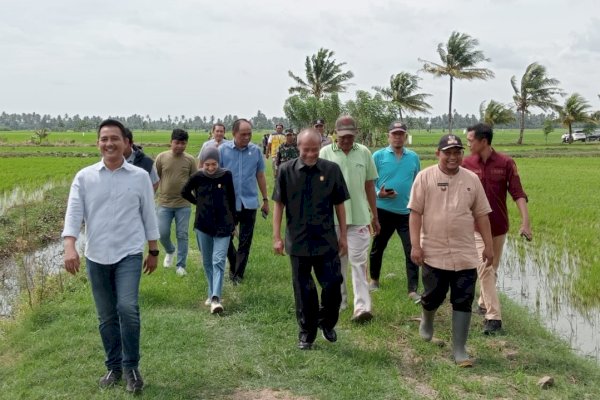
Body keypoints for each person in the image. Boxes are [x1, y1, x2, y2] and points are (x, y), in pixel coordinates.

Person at [62, 119, 159, 394]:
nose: (109, 143)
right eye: (104, 139)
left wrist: (153, 250)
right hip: (96, 256)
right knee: (106, 316)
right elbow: (73, 214)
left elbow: (148, 216)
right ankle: (113, 367)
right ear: (98, 143)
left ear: (126, 143)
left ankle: (131, 368)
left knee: (127, 308)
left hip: (128, 253)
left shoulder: (139, 177)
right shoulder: (85, 177)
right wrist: (70, 246)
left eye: (114, 138)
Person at [408, 134, 493, 367]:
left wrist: (488, 246)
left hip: (465, 252)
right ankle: (427, 320)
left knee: (463, 299)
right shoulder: (425, 177)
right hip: (434, 252)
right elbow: (415, 214)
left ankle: (459, 350)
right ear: (438, 154)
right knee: (433, 295)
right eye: (448, 152)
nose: (453, 157)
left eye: (457, 152)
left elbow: (482, 214)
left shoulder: (472, 179)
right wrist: (415, 246)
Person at [273, 129, 349, 350]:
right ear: (298, 147)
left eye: (314, 149)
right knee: (303, 290)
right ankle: (307, 333)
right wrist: (276, 237)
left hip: (326, 240)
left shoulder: (331, 170)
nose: (310, 154)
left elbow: (340, 205)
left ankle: (327, 322)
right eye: (306, 150)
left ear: (320, 147)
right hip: (298, 241)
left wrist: (343, 235)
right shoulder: (286, 171)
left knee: (334, 284)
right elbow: (279, 204)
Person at [462, 123, 532, 334]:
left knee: (491, 269)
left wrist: (525, 223)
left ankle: (483, 304)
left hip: (499, 226)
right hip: (474, 226)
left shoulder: (506, 163)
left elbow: (518, 193)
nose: (468, 143)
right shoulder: (466, 163)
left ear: (483, 141)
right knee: (485, 267)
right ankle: (494, 318)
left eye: (471, 140)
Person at [319, 115, 380, 322]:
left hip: (359, 217)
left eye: (350, 137)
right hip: (333, 219)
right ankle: (341, 301)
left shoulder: (363, 153)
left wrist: (375, 215)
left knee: (359, 262)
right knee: (337, 263)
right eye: (343, 137)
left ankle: (362, 307)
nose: (346, 141)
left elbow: (369, 186)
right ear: (335, 133)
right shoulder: (325, 153)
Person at [369, 121, 421, 300]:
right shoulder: (378, 156)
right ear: (388, 136)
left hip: (407, 213)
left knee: (412, 249)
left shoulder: (413, 157)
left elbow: (417, 183)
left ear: (405, 136)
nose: (398, 137)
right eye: (394, 134)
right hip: (383, 210)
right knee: (378, 246)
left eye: (401, 134)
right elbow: (369, 182)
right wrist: (379, 193)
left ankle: (413, 289)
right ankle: (374, 279)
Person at [182, 146, 236, 314]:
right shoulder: (197, 177)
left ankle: (216, 299)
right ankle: (211, 291)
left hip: (224, 225)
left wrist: (234, 224)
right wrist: (198, 202)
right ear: (202, 163)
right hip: (203, 225)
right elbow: (184, 192)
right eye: (207, 165)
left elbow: (232, 199)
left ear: (218, 162)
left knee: (218, 261)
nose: (211, 168)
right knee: (207, 262)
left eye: (214, 164)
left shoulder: (226, 175)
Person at [219, 118, 269, 283]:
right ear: (234, 133)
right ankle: (234, 262)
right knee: (225, 239)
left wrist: (265, 199)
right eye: (243, 134)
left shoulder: (255, 151)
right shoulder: (222, 150)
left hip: (249, 203)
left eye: (249, 134)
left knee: (245, 242)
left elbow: (260, 175)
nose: (247, 137)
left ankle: (237, 275)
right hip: (228, 204)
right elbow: (215, 174)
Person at [155, 129, 198, 276]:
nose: (179, 146)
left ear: (186, 143)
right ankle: (170, 250)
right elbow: (155, 179)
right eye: (177, 143)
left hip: (183, 204)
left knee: (182, 234)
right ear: (171, 142)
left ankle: (181, 266)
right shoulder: (161, 158)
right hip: (164, 203)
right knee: (162, 233)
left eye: (183, 143)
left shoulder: (190, 160)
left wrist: (200, 201)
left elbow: (195, 182)